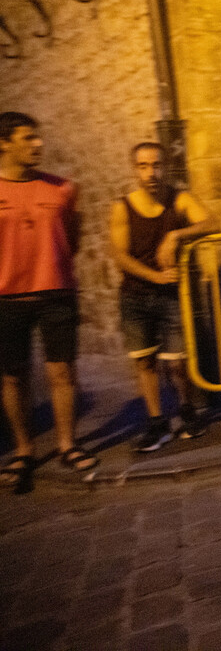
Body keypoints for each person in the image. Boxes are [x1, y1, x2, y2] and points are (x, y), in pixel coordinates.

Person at [0, 112, 94, 488]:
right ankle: (24, 449)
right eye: (27, 138)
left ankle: (67, 444)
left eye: (37, 137)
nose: (37, 144)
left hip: (56, 291)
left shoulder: (62, 189)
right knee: (13, 376)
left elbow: (73, 238)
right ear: (4, 143)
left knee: (62, 371)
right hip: (7, 296)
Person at [109, 142, 220, 452]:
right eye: (143, 166)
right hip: (136, 296)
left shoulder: (178, 199)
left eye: (156, 165)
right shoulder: (123, 207)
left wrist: (175, 235)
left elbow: (212, 222)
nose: (151, 173)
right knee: (145, 362)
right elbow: (120, 256)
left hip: (171, 296)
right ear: (135, 170)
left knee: (177, 363)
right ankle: (156, 421)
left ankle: (186, 409)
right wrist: (155, 276)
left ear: (165, 166)